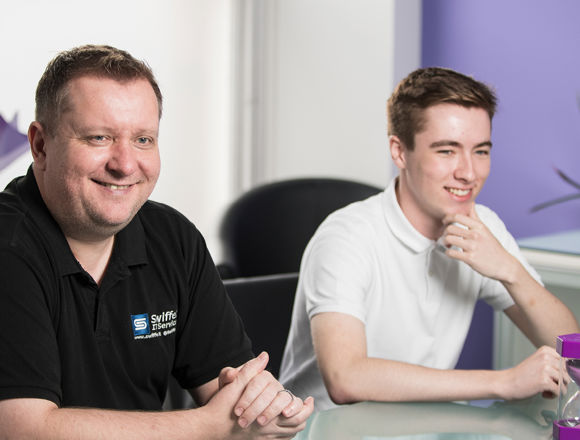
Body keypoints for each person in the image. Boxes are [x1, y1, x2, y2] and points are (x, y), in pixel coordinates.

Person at [0, 44, 313, 439]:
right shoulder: (9, 247)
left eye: (144, 140)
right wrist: (206, 426)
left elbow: (231, 398)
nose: (126, 164)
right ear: (40, 146)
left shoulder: (172, 238)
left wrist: (264, 410)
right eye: (99, 137)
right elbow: (22, 429)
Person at [279, 67, 580, 411]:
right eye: (447, 151)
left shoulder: (483, 227)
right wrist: (504, 382)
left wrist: (510, 270)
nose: (468, 172)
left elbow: (568, 347)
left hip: (420, 430)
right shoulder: (346, 237)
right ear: (399, 151)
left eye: (480, 151)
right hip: (324, 432)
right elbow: (346, 379)